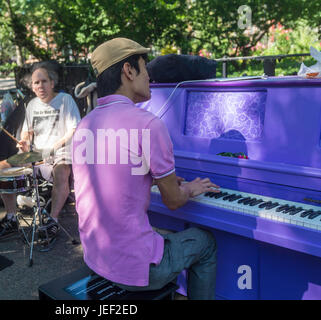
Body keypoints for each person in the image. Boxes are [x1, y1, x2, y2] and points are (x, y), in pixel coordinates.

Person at [71, 38, 220, 299]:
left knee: (164, 233)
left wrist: (149, 180)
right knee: (205, 242)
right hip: (134, 269)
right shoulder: (148, 124)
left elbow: (109, 172)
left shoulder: (85, 125)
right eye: (145, 67)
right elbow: (173, 201)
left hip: (95, 257)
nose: (150, 75)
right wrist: (190, 188)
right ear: (128, 71)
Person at [0, 61, 81, 238]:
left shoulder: (66, 100)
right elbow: (28, 132)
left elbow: (74, 130)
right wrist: (24, 142)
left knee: (61, 171)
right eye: (36, 82)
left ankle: (53, 220)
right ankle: (11, 216)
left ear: (52, 82)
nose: (40, 85)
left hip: (59, 153)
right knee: (0, 168)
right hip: (35, 154)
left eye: (44, 81)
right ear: (32, 87)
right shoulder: (32, 105)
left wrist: (52, 148)